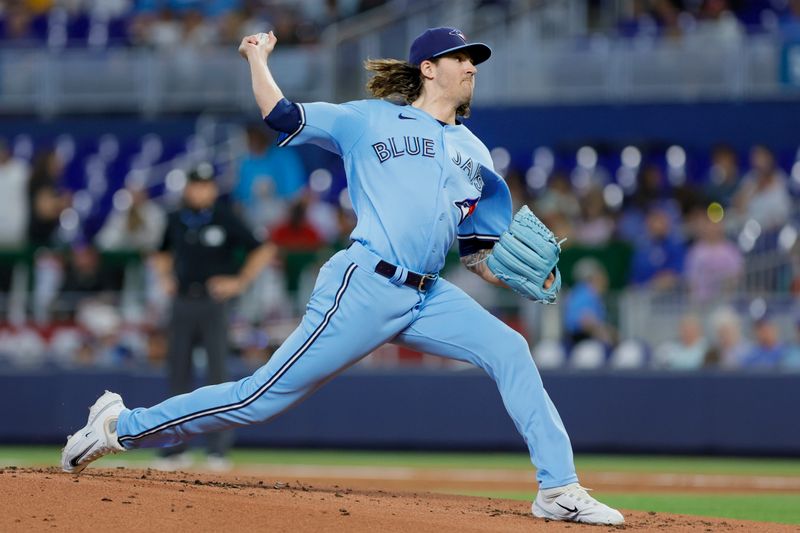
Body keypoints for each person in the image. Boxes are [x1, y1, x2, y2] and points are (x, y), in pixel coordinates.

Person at [61, 27, 623, 526]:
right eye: (460, 58)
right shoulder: (368, 119)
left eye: (474, 60)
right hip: (365, 284)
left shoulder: (475, 153)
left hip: (428, 294)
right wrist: (257, 58)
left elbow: (478, 252)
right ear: (429, 69)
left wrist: (511, 275)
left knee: (511, 348)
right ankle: (121, 426)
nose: (472, 67)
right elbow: (282, 115)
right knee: (257, 398)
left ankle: (558, 488)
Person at [149, 162, 276, 469]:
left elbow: (264, 249)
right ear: (188, 187)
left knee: (218, 377)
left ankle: (217, 450)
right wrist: (165, 277)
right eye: (195, 184)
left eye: (205, 185)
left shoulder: (225, 217)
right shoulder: (176, 219)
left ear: (213, 189)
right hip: (182, 302)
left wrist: (240, 282)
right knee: (177, 375)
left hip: (213, 304)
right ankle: (174, 448)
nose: (200, 190)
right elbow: (160, 251)